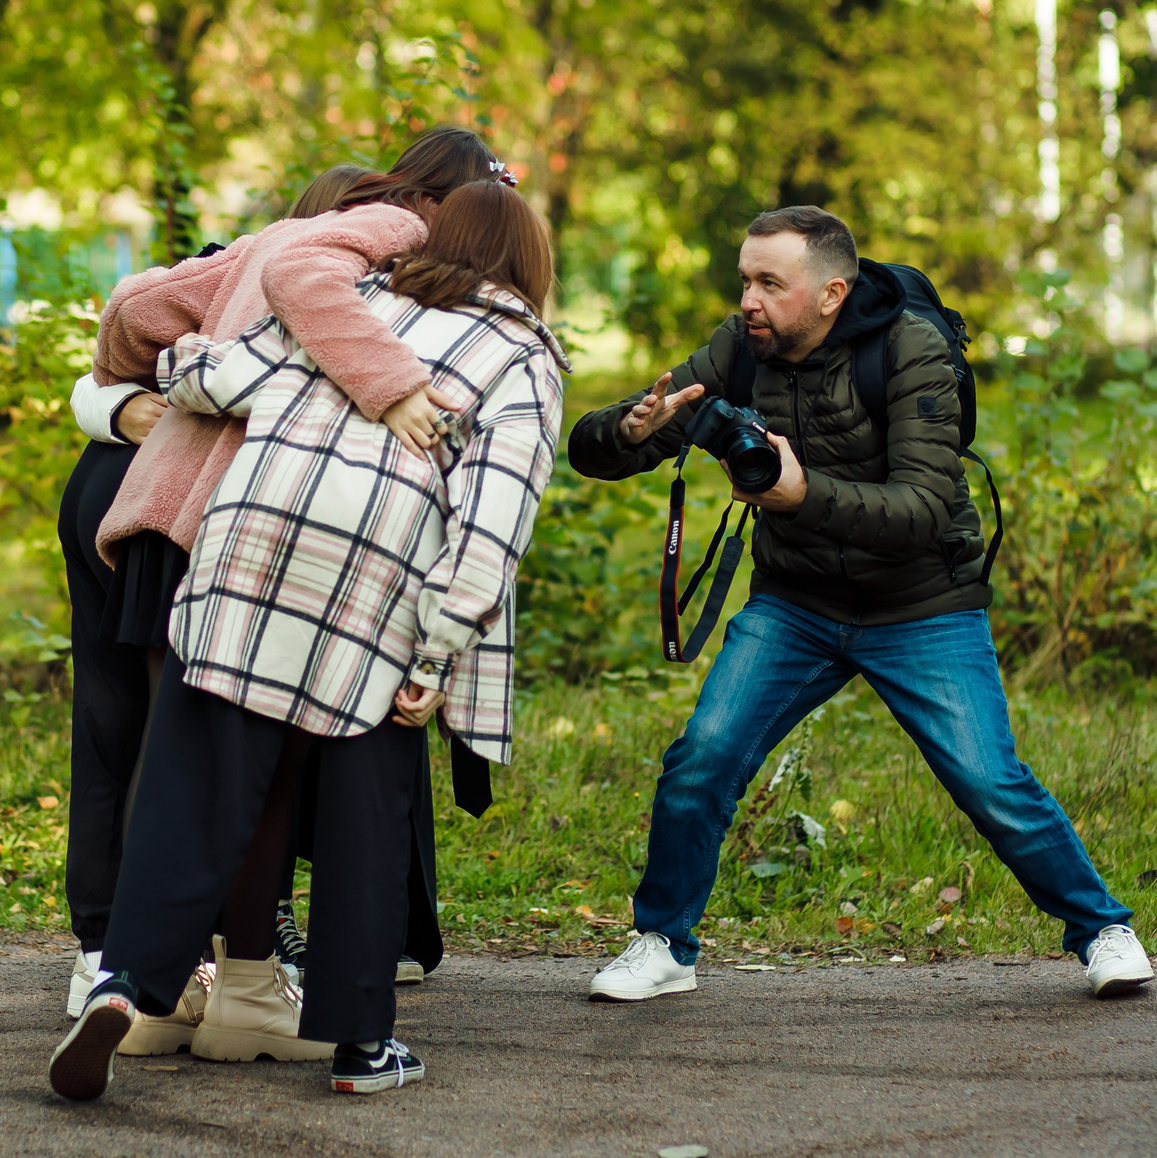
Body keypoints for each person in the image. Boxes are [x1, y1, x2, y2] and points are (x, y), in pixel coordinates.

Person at [48, 179, 569, 1101]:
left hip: (243, 544)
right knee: (365, 805)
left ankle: (127, 983)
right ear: (531, 270)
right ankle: (361, 1049)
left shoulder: (360, 302)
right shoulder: (523, 356)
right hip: (375, 583)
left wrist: (162, 379)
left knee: (191, 784)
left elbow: (211, 379)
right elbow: (492, 526)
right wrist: (440, 653)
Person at [567, 205, 1153, 1003]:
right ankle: (665, 943)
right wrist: (625, 430)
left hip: (920, 603)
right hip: (795, 603)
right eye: (744, 280)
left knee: (989, 780)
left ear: (830, 292)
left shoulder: (910, 351)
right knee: (702, 757)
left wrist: (801, 493)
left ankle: (1101, 930)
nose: (747, 300)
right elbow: (602, 448)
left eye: (769, 283)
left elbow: (918, 510)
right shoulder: (742, 348)